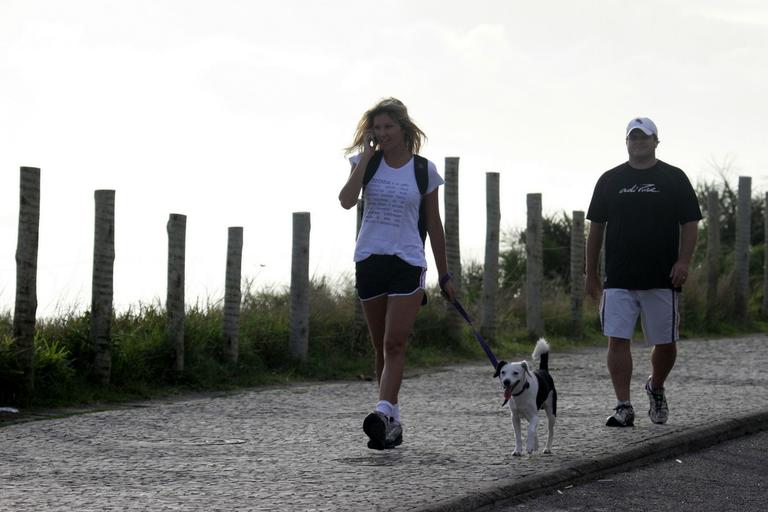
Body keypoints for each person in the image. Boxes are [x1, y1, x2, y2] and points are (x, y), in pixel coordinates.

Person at [338, 98, 457, 449]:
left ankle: (383, 411)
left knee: (395, 342)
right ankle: (392, 420)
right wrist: (365, 158)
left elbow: (434, 225)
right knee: (380, 347)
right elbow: (346, 200)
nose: (382, 133)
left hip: (408, 260)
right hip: (370, 259)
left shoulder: (424, 171)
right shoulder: (365, 164)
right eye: (377, 127)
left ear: (404, 129)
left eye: (389, 126)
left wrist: (445, 274)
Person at [585, 117, 702, 427]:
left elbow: (690, 223)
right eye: (633, 137)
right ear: (626, 142)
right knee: (617, 339)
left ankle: (656, 386)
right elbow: (596, 227)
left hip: (662, 277)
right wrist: (590, 272)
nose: (638, 142)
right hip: (619, 277)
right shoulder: (610, 180)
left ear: (656, 141)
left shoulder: (674, 178)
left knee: (665, 343)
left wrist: (684, 261)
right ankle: (624, 405)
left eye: (644, 137)